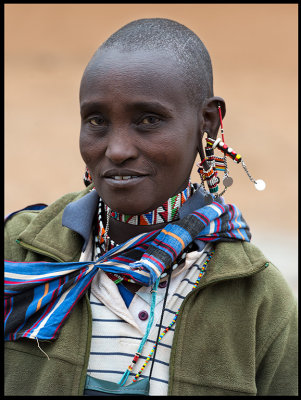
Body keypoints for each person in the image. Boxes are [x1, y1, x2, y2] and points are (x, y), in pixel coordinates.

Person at [4, 18, 297, 396]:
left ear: (208, 122)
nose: (117, 149)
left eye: (148, 120)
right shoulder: (21, 253)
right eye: (97, 120)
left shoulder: (256, 297)